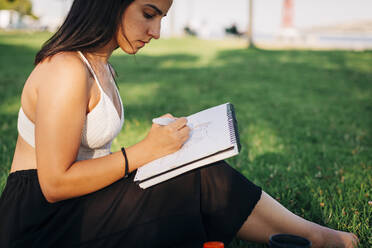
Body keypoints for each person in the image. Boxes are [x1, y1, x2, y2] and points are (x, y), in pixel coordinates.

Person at [0, 0, 359, 247]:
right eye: (149, 13)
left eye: (161, 18)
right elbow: (55, 183)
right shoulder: (66, 69)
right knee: (194, 178)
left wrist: (162, 149)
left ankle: (309, 236)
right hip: (38, 221)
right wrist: (145, 151)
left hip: (74, 204)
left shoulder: (102, 66)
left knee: (192, 166)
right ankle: (316, 238)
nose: (155, 31)